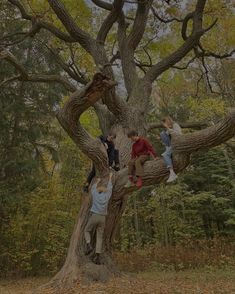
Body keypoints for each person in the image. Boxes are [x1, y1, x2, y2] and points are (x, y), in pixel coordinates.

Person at [84, 172, 113, 265]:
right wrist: (110, 177)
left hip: (95, 216)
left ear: (98, 190)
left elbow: (92, 188)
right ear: (104, 191)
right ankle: (97, 256)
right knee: (99, 236)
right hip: (103, 218)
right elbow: (110, 188)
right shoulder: (106, 196)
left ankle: (88, 244)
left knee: (86, 230)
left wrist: (97, 181)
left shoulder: (95, 194)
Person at [160, 116, 182, 183]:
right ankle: (168, 151)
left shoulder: (175, 125)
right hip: (171, 145)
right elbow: (166, 137)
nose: (165, 124)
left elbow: (178, 135)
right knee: (162, 134)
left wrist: (167, 128)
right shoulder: (169, 128)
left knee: (165, 155)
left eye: (165, 122)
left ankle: (172, 173)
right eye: (164, 123)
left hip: (178, 143)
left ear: (169, 120)